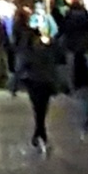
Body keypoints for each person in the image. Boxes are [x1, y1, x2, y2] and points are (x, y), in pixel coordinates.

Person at [16, 22, 57, 151]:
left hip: (35, 82)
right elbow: (52, 67)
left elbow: (21, 68)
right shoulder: (45, 50)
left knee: (39, 108)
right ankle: (40, 132)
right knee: (41, 108)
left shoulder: (29, 52)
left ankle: (39, 132)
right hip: (42, 82)